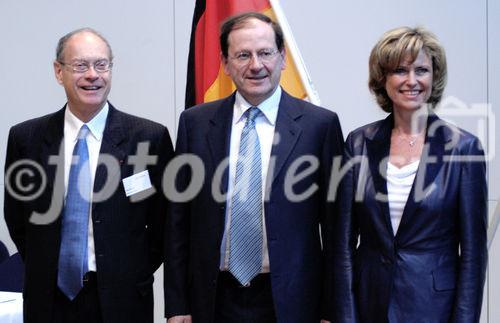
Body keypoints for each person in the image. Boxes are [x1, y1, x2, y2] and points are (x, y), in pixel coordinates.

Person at [164, 12, 343, 323]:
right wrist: (177, 304)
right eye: (243, 55)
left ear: (283, 57)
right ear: (225, 62)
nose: (256, 65)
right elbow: (178, 222)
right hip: (215, 298)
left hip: (292, 300)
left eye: (265, 53)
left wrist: (331, 309)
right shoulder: (195, 124)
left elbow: (336, 229)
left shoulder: (320, 126)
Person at [4, 28, 174, 323]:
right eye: (80, 66)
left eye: (101, 64)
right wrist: (46, 264)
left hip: (124, 299)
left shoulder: (148, 138)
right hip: (48, 299)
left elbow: (165, 222)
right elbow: (17, 217)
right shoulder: (26, 139)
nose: (92, 75)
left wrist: (131, 269)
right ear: (59, 72)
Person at [333, 26, 487, 323]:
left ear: (434, 76)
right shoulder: (358, 143)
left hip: (433, 309)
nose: (412, 81)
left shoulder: (463, 148)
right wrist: (344, 316)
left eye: (422, 70)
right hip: (369, 305)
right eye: (400, 70)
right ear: (383, 78)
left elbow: (472, 255)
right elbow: (342, 245)